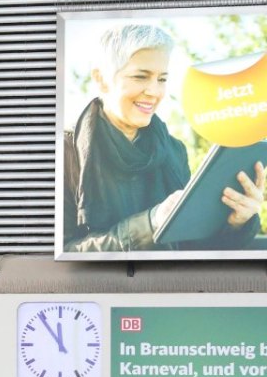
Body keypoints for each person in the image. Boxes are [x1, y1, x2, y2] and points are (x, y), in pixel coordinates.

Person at [62, 23, 265, 252]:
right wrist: (152, 224)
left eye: (162, 79)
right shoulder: (65, 152)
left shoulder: (174, 151)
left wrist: (236, 222)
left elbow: (191, 247)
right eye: (140, 76)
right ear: (101, 79)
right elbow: (58, 256)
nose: (154, 92)